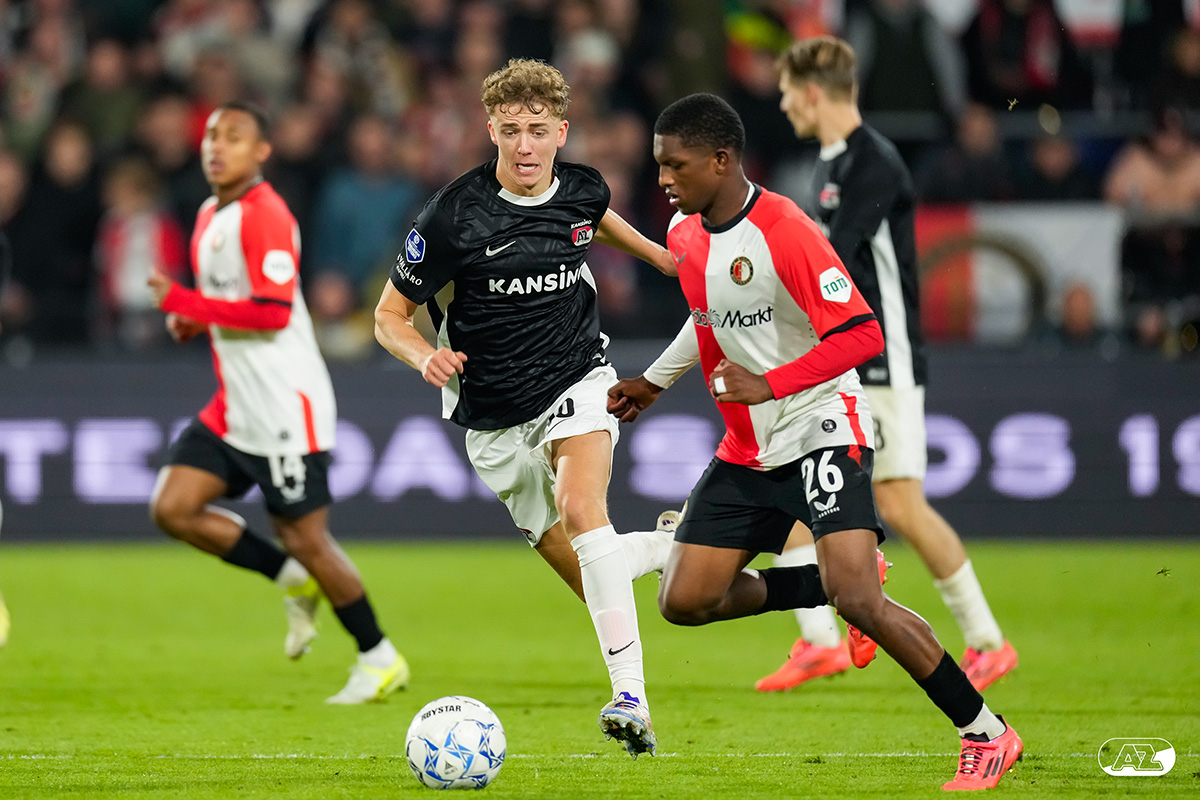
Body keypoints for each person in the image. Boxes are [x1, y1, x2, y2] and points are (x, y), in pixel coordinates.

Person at [607, 92, 1023, 791]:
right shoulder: (684, 233)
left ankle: (985, 732)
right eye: (659, 165)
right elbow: (705, 314)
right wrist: (654, 382)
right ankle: (823, 582)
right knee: (684, 600)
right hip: (749, 446)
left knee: (860, 601)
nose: (664, 180)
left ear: (722, 159)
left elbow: (861, 333)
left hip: (822, 425)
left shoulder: (785, 230)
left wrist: (770, 383)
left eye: (676, 165)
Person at [373, 59, 676, 758]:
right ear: (491, 131)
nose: (526, 146)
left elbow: (593, 220)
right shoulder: (453, 215)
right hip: (491, 416)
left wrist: (661, 259)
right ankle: (670, 547)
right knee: (593, 576)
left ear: (562, 132)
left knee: (581, 508)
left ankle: (631, 700)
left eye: (539, 130)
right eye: (511, 131)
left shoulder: (584, 188)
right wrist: (423, 357)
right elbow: (389, 316)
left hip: (578, 378)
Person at [757, 36, 1017, 695]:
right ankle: (821, 640)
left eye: (787, 93)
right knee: (794, 484)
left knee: (900, 500)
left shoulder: (874, 163)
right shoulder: (831, 163)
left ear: (812, 93)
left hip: (881, 358)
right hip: (839, 358)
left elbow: (831, 262)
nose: (783, 105)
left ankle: (988, 641)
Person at [146, 101, 408, 705]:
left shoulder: (265, 213)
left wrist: (187, 303)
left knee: (308, 540)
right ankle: (288, 577)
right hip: (235, 406)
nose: (217, 146)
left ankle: (379, 656)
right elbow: (230, 301)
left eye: (234, 137)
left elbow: (272, 310)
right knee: (173, 507)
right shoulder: (210, 213)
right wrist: (195, 320)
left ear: (262, 151)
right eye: (212, 135)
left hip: (286, 408)